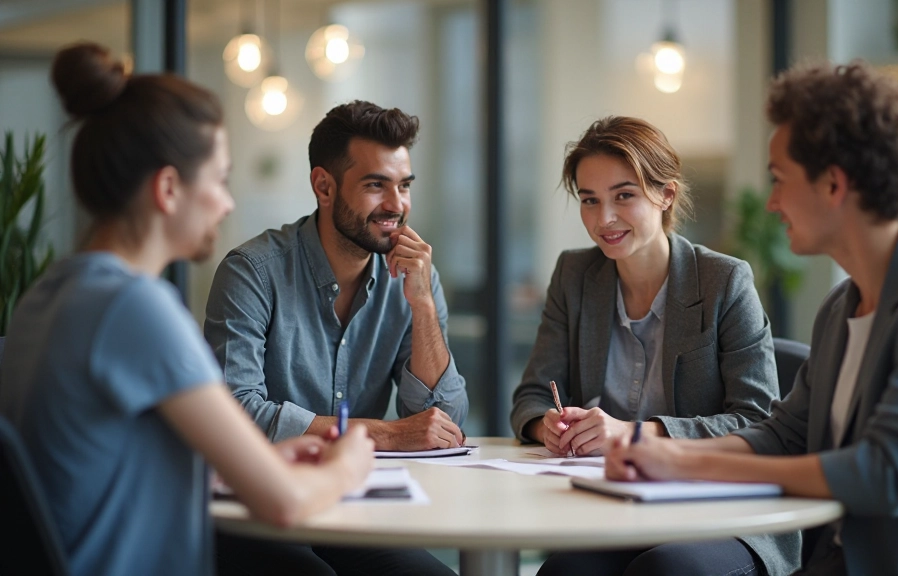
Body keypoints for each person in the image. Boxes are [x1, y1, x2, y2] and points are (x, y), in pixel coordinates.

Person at [604, 61, 898, 575]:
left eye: (780, 179)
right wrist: (655, 451)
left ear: (833, 184)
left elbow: (886, 473)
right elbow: (784, 436)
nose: (772, 202)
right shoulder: (841, 306)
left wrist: (684, 462)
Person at [0, 42, 375, 576]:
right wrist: (348, 467)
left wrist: (258, 463)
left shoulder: (49, 294)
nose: (228, 203)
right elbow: (285, 503)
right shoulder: (135, 308)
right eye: (219, 180)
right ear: (169, 188)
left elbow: (104, 469)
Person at [510, 117, 799, 576]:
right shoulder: (575, 276)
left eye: (624, 196)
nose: (604, 218)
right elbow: (531, 395)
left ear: (666, 195)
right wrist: (546, 426)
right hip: (617, 508)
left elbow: (758, 421)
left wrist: (635, 434)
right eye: (589, 200)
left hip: (722, 514)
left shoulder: (724, 281)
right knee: (563, 572)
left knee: (666, 570)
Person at [204, 100, 464, 575]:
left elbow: (442, 423)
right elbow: (236, 413)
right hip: (255, 511)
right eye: (375, 185)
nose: (397, 205)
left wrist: (423, 306)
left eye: (404, 185)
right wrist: (386, 434)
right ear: (324, 186)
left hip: (352, 507)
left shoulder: (414, 279)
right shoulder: (252, 273)